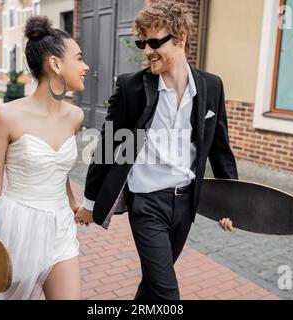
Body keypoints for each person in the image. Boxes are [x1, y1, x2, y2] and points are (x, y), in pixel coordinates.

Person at [75, 1, 237, 300]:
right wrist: (89, 201)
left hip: (187, 204)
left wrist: (232, 203)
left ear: (180, 39)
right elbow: (109, 145)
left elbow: (220, 149)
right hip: (147, 205)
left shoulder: (211, 87)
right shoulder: (132, 88)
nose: (147, 51)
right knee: (167, 294)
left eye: (154, 42)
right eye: (143, 43)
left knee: (152, 286)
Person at [0, 16, 89, 300]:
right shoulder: (6, 116)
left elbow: (58, 167)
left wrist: (72, 203)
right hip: (18, 225)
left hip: (60, 226)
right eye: (79, 59)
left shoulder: (75, 117)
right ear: (56, 64)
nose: (85, 66)